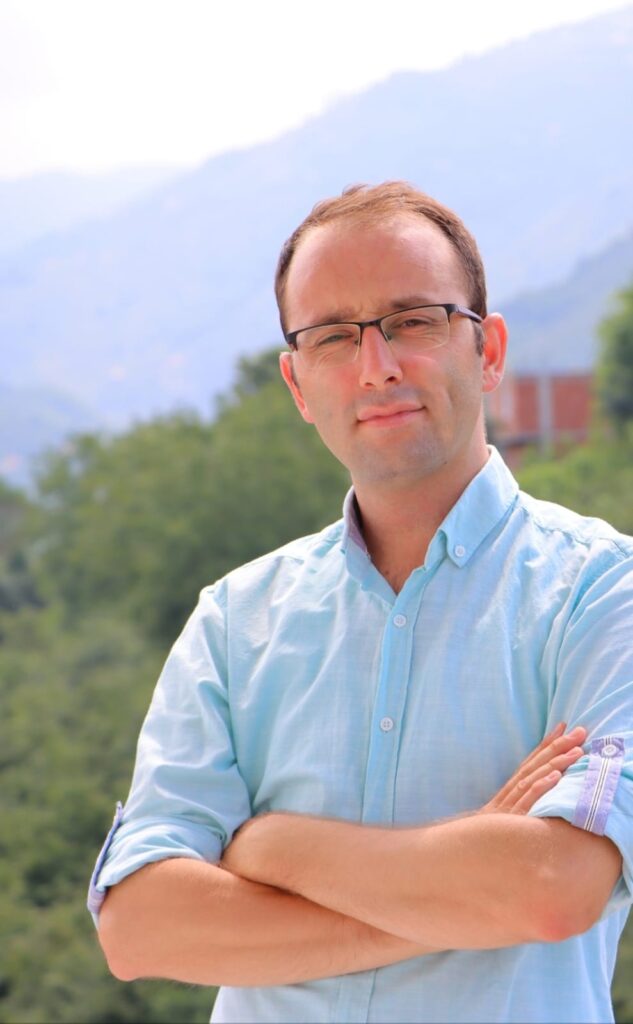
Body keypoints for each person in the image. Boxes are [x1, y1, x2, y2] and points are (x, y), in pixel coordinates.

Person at [89, 182, 633, 1024]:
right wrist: (459, 890)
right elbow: (140, 927)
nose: (375, 365)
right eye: (333, 336)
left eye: (413, 321)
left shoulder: (603, 592)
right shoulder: (235, 623)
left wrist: (270, 846)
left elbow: (551, 888)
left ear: (487, 350)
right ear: (297, 384)